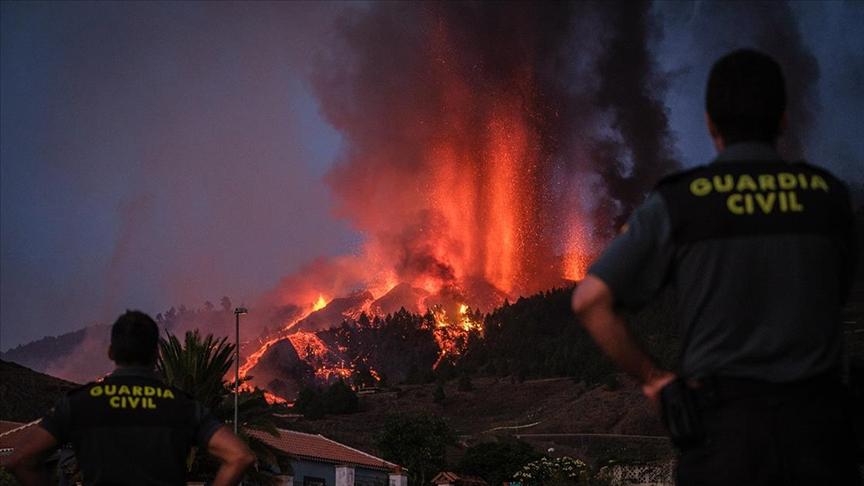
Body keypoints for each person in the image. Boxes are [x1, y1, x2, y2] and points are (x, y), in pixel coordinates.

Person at [571, 49, 859, 485]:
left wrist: (655, 381)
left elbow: (589, 300)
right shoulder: (830, 198)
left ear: (710, 123)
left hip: (724, 440)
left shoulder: (681, 201)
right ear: (783, 119)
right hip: (819, 438)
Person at [7, 310, 255, 485]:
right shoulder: (181, 406)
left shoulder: (80, 403)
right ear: (156, 354)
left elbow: (20, 459)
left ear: (111, 352)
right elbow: (240, 455)